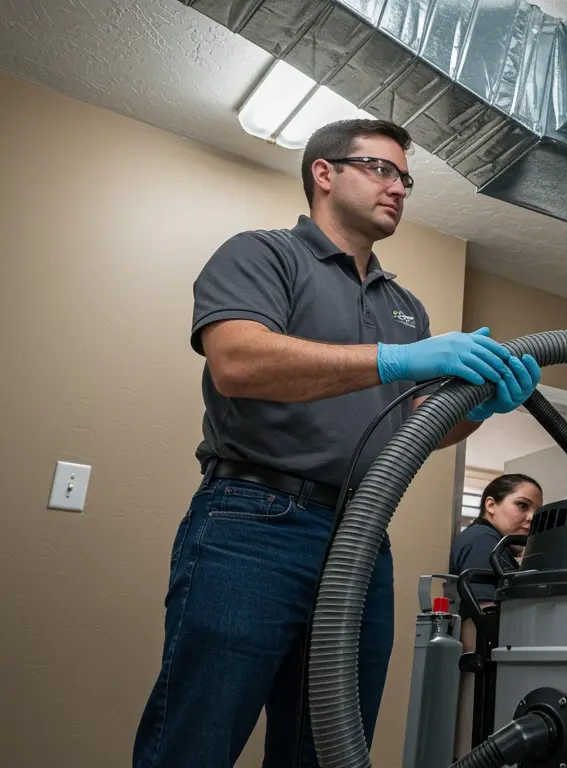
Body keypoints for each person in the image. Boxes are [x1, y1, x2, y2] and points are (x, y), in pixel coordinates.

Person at [132, 118, 542, 767]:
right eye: (381, 169)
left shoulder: (404, 304)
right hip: (254, 525)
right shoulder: (263, 254)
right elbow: (237, 362)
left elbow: (416, 423)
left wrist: (481, 409)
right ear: (325, 173)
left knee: (327, 750)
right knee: (196, 740)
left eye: (405, 177)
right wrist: (393, 358)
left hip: (360, 539)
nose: (399, 188)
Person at [450, 473, 544, 606]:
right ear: (491, 505)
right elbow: (482, 612)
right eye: (522, 505)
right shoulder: (482, 539)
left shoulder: (494, 543)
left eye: (538, 511)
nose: (532, 517)